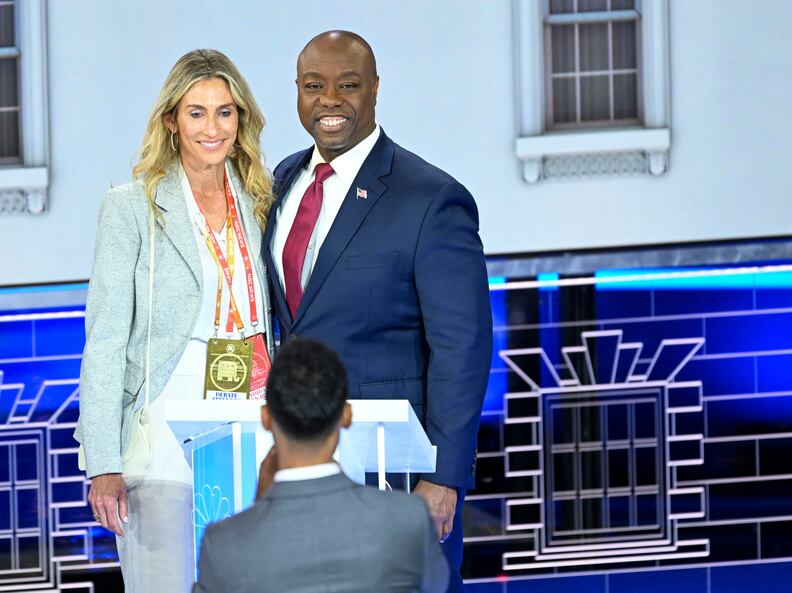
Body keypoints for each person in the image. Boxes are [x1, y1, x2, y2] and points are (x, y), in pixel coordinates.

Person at [263, 31, 493, 592]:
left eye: (348, 85)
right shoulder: (281, 182)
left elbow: (462, 347)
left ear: (374, 90)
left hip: (397, 475)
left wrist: (444, 478)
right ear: (297, 91)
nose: (329, 100)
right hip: (297, 471)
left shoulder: (430, 198)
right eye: (313, 86)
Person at [75, 49, 274, 592]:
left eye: (225, 112)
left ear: (240, 119)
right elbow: (105, 341)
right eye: (196, 113)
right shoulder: (131, 207)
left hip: (251, 428)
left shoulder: (260, 201)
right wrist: (103, 463)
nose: (213, 128)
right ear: (171, 121)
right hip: (161, 435)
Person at [193, 338, 448, 593]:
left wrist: (258, 510)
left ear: (266, 417)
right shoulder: (408, 519)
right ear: (347, 415)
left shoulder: (224, 542)